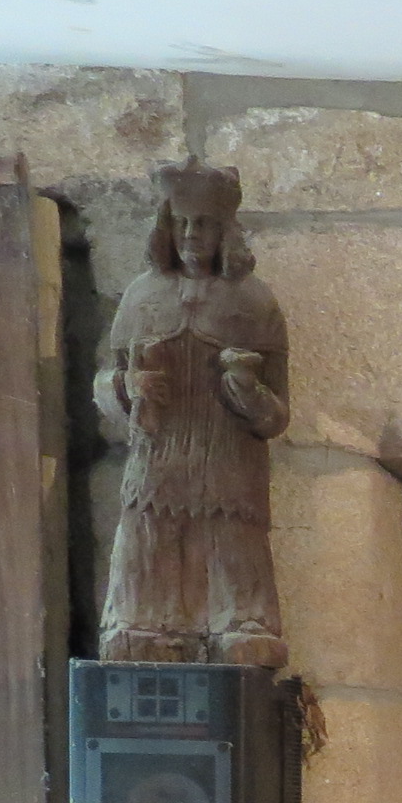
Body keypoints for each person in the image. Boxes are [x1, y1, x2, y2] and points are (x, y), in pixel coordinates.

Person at [93, 157, 290, 665]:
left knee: (232, 550)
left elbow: (277, 416)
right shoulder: (141, 296)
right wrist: (127, 385)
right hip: (157, 458)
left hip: (227, 463)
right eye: (180, 222)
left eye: (203, 224)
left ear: (225, 230)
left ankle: (240, 621)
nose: (190, 235)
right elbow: (105, 383)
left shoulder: (254, 301)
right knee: (148, 544)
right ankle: (143, 623)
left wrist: (248, 393)